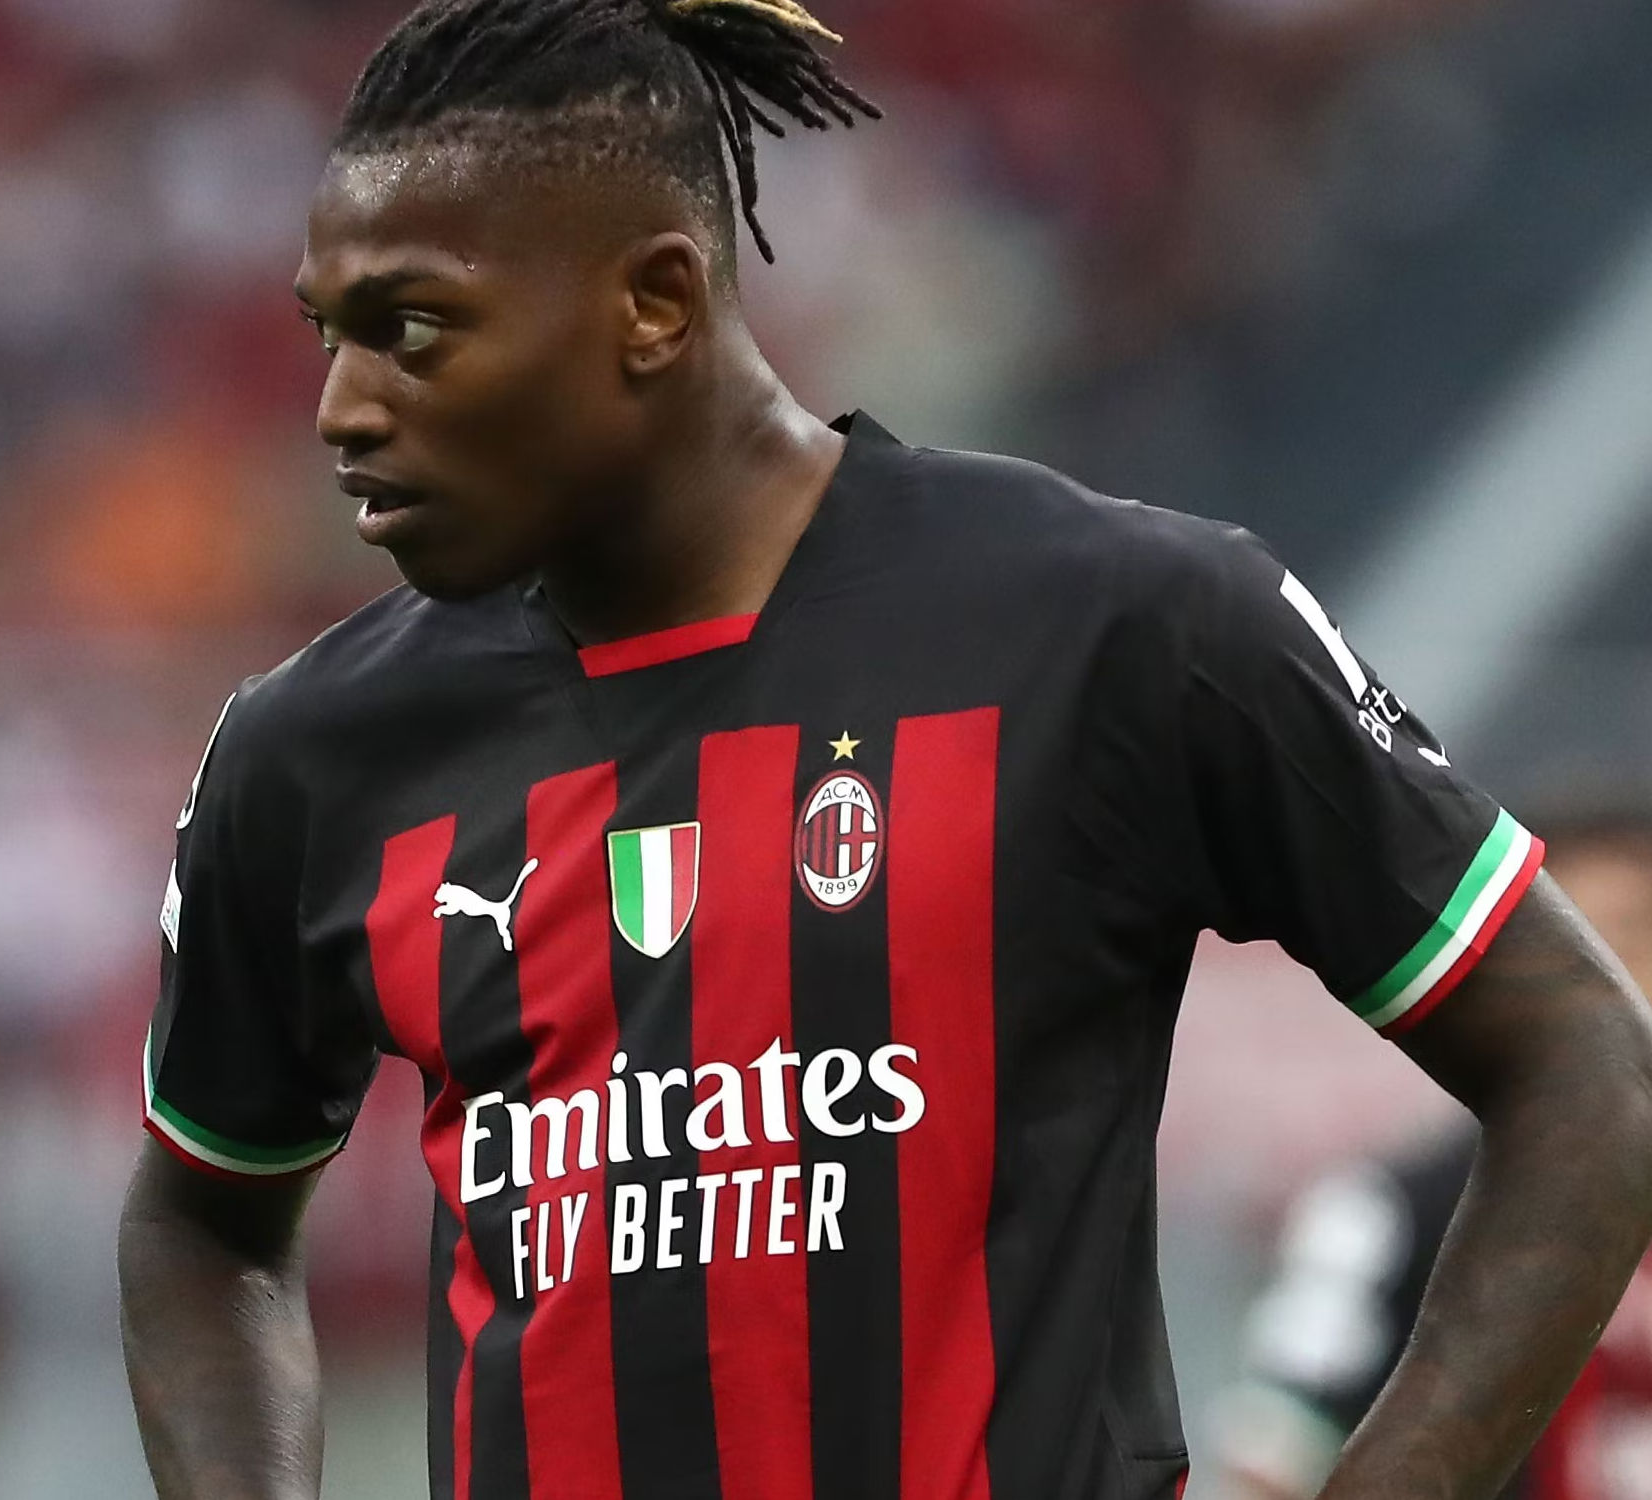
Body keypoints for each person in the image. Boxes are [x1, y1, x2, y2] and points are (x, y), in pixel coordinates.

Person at [113, 1, 1652, 1498]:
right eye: (329, 333)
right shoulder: (314, 753)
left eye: (413, 330)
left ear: (653, 303)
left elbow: (1589, 1064)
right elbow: (204, 1223)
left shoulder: (1123, 625)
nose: (340, 408)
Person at [1217, 810, 1652, 1500]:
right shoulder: (1385, 1212)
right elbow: (1272, 1465)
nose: (1610, 987)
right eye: (1576, 949)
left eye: (1630, 937)